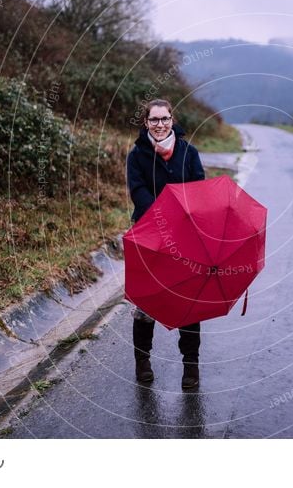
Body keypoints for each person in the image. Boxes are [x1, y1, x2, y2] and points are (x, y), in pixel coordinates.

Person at [126, 98, 205, 389]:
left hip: (185, 235)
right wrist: (161, 219)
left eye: (165, 119)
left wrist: (181, 217)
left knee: (189, 303)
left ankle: (191, 365)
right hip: (148, 235)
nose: (160, 124)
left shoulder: (189, 152)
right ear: (146, 122)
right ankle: (142, 360)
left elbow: (198, 188)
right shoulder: (137, 155)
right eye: (154, 119)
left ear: (173, 120)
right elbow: (138, 190)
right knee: (146, 302)